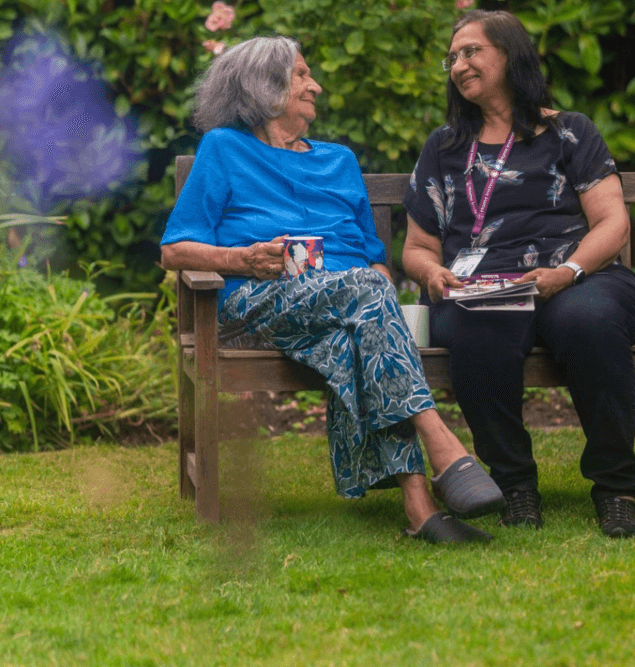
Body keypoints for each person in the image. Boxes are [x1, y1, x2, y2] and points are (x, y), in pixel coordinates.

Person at [161, 35, 505, 543]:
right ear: (264, 85)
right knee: (366, 292)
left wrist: (385, 300)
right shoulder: (224, 149)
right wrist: (242, 259)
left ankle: (419, 507)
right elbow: (175, 249)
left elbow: (373, 258)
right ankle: (443, 445)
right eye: (301, 75)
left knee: (361, 329)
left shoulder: (338, 160)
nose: (314, 85)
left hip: (349, 307)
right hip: (257, 300)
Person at [401, 11, 635, 538]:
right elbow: (417, 246)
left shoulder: (568, 132)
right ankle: (515, 486)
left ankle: (615, 490)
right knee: (474, 331)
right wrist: (433, 273)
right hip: (482, 290)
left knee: (588, 322)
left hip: (577, 276)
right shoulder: (444, 148)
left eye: (471, 51)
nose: (458, 64)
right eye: (452, 57)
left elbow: (613, 222)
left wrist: (566, 271)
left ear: (510, 55)